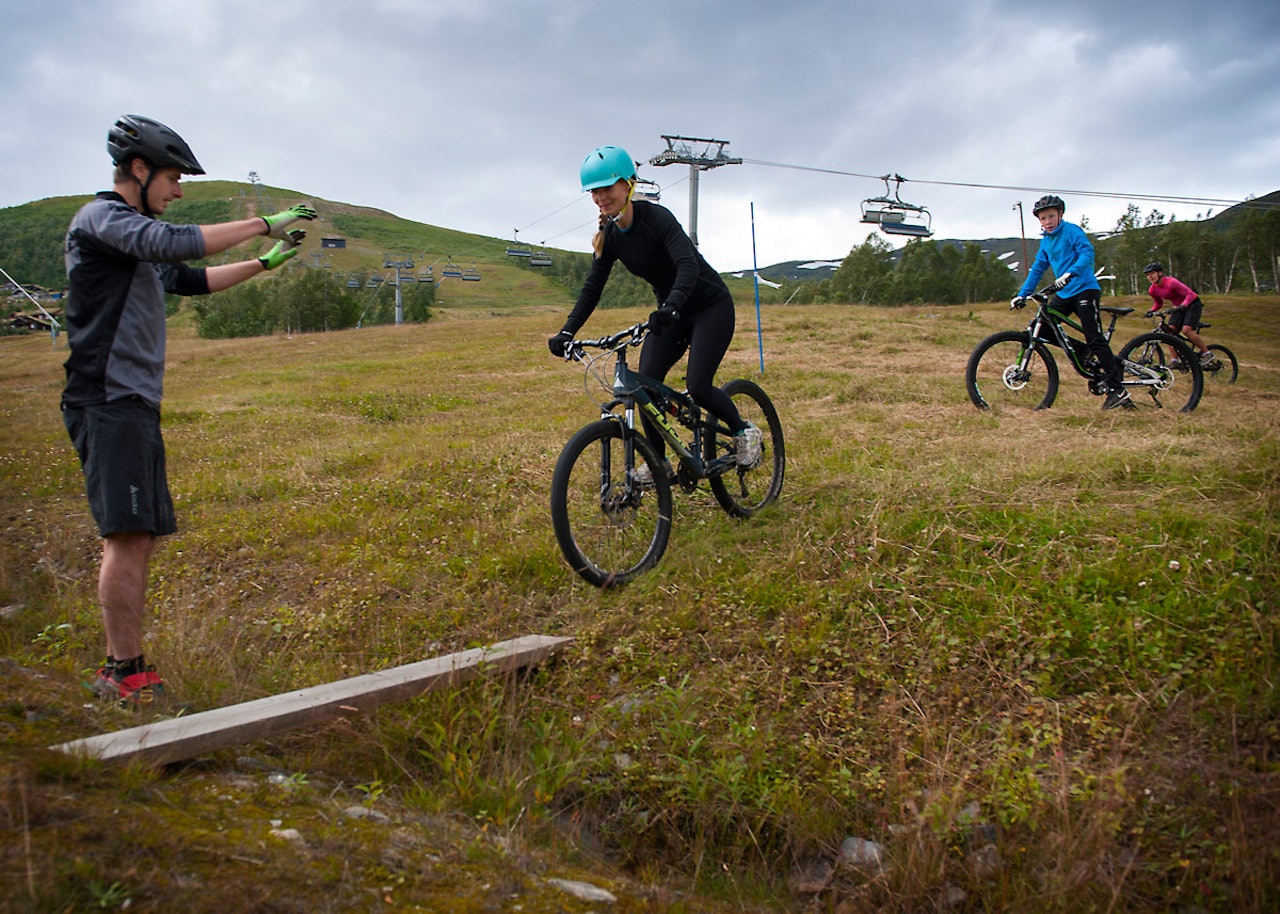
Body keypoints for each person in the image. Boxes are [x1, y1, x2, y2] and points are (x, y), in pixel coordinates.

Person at [62, 114, 317, 704]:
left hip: (133, 402)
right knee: (127, 533)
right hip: (107, 399)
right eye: (174, 178)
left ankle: (126, 667)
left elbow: (186, 279)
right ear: (139, 168)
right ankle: (123, 672)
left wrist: (266, 262)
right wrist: (263, 223)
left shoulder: (134, 237)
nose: (177, 192)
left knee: (140, 532)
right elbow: (174, 243)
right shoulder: (103, 221)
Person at [547, 145, 763, 480]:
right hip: (670, 312)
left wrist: (672, 306)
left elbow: (687, 265)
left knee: (699, 384)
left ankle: (743, 433)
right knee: (643, 386)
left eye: (608, 188)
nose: (601, 197)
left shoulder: (656, 218)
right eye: (595, 191)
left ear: (629, 184)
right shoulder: (611, 236)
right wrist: (567, 331)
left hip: (709, 307)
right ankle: (659, 463)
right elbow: (592, 289)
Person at [1011, 194, 1134, 410]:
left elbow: (1087, 253)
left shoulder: (1072, 231)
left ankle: (1117, 390)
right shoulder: (1046, 242)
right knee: (1040, 330)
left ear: (1060, 215)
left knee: (1094, 337)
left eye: (1050, 216)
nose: (1047, 222)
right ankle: (1083, 351)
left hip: (1085, 289)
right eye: (1042, 218)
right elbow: (1038, 268)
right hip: (1066, 294)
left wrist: (1071, 272)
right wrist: (1023, 294)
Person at [1142, 261, 1213, 367]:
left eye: (1152, 273)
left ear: (1160, 273)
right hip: (1179, 307)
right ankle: (1175, 360)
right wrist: (1151, 311)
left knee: (1186, 330)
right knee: (1169, 333)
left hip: (1193, 303)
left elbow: (1190, 294)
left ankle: (1207, 353)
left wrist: (1183, 305)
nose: (1150, 276)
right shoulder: (1153, 290)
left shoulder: (1171, 282)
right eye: (1148, 275)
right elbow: (1158, 303)